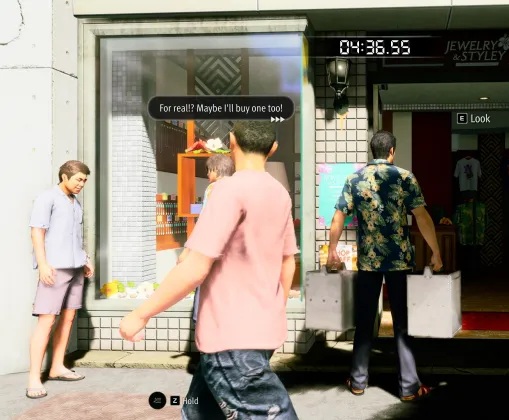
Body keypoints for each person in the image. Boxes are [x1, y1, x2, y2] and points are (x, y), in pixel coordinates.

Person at [120, 120, 299, 419]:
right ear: (273, 148)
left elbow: (195, 266)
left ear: (232, 141)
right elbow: (287, 260)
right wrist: (274, 311)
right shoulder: (279, 193)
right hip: (259, 332)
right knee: (199, 411)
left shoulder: (227, 190)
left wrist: (141, 314)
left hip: (229, 336)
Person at [327, 130, 442, 402]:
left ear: (373, 151)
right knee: (401, 322)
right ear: (391, 151)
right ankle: (409, 387)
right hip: (399, 261)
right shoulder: (404, 177)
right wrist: (435, 251)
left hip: (368, 261)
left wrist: (332, 250)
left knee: (365, 320)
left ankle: (358, 381)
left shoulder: (354, 179)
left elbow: (338, 216)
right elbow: (422, 216)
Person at [27, 160, 94, 399]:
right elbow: (37, 231)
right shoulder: (47, 198)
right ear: (64, 177)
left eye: (84, 180)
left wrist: (85, 258)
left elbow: (73, 236)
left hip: (75, 268)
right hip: (54, 269)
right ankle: (34, 378)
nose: (81, 184)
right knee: (46, 321)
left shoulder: (75, 202)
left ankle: (57, 367)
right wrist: (43, 264)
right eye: (78, 179)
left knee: (68, 318)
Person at [177, 153, 235, 324]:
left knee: (204, 285)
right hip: (230, 250)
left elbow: (204, 219)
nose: (208, 174)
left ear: (216, 170)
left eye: (209, 170)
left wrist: (188, 250)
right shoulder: (236, 187)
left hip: (211, 247)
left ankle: (201, 320)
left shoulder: (213, 188)